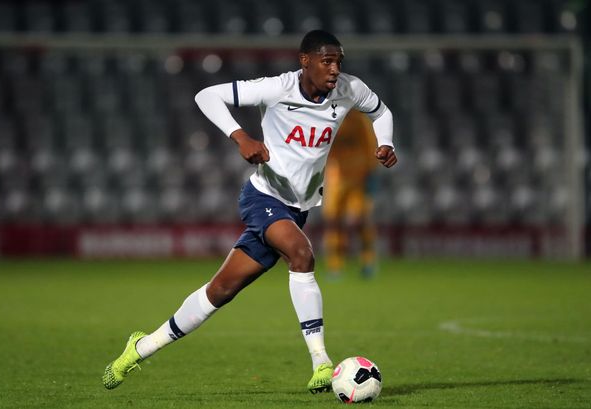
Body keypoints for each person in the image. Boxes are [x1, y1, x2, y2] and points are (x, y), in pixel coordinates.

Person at [102, 30, 397, 394]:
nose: (334, 69)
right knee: (301, 254)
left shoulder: (350, 89)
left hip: (297, 208)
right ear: (305, 61)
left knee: (220, 290)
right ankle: (321, 361)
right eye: (326, 61)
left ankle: (141, 347)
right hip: (263, 197)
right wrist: (240, 136)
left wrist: (386, 142)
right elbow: (206, 95)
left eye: (338, 61)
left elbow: (381, 112)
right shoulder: (277, 88)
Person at [323, 109, 379, 280]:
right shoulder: (327, 117)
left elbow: (370, 147)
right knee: (334, 222)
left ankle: (368, 262)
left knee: (361, 221)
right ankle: (335, 266)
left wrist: (371, 174)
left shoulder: (359, 120)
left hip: (358, 177)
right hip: (335, 178)